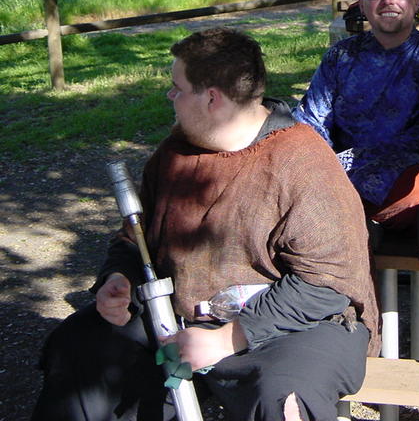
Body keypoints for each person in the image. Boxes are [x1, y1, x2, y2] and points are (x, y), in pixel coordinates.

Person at [31, 27, 380, 421]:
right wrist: (120, 279)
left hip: (295, 328)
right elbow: (135, 239)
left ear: (212, 97)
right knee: (79, 347)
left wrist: (229, 338)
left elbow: (328, 287)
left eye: (177, 88)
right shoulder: (175, 154)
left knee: (285, 400)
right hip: (181, 321)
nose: (170, 96)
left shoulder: (304, 163)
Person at [294, 0, 419, 234]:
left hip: (399, 177)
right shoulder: (340, 57)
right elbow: (311, 121)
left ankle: (351, 225)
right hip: (334, 174)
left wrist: (358, 166)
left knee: (418, 191)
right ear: (362, 3)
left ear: (416, 1)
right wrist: (321, 165)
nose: (387, 0)